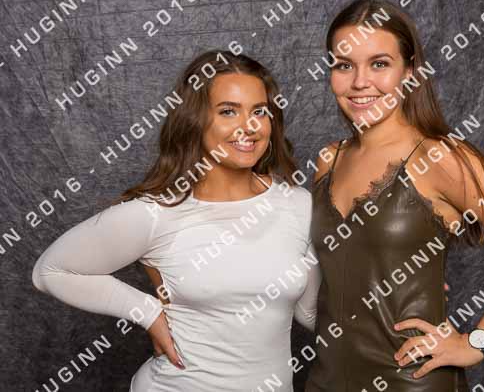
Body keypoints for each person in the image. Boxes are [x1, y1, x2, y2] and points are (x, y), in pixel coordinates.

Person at [304, 0, 484, 391]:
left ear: (409, 72)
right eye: (344, 65)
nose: (360, 82)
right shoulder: (329, 160)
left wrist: (476, 343)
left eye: (379, 64)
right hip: (326, 380)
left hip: (411, 380)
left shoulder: (439, 158)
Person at [31, 50, 322, 392]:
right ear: (195, 121)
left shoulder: (299, 205)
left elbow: (311, 313)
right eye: (228, 111)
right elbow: (49, 271)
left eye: (259, 111)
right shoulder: (157, 213)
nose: (250, 126)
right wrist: (147, 311)